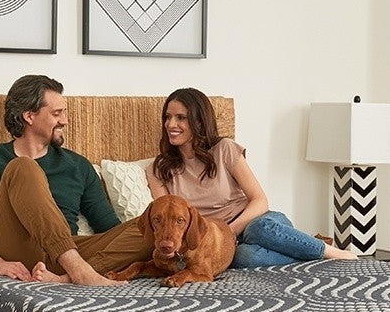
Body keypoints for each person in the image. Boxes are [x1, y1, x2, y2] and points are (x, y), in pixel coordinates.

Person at [0, 75, 149, 285]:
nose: (65, 120)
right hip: (16, 251)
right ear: (29, 116)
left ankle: (67, 278)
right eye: (56, 113)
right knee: (24, 167)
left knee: (152, 226)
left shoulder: (77, 166)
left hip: (64, 257)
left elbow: (110, 229)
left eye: (64, 112)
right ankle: (80, 271)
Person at [146, 87, 356, 268]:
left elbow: (260, 200)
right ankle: (304, 250)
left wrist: (230, 231)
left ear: (199, 122)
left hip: (259, 223)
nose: (171, 124)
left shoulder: (225, 149)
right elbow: (166, 217)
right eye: (167, 117)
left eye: (181, 118)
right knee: (244, 258)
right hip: (218, 241)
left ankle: (329, 251)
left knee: (258, 229)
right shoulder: (158, 169)